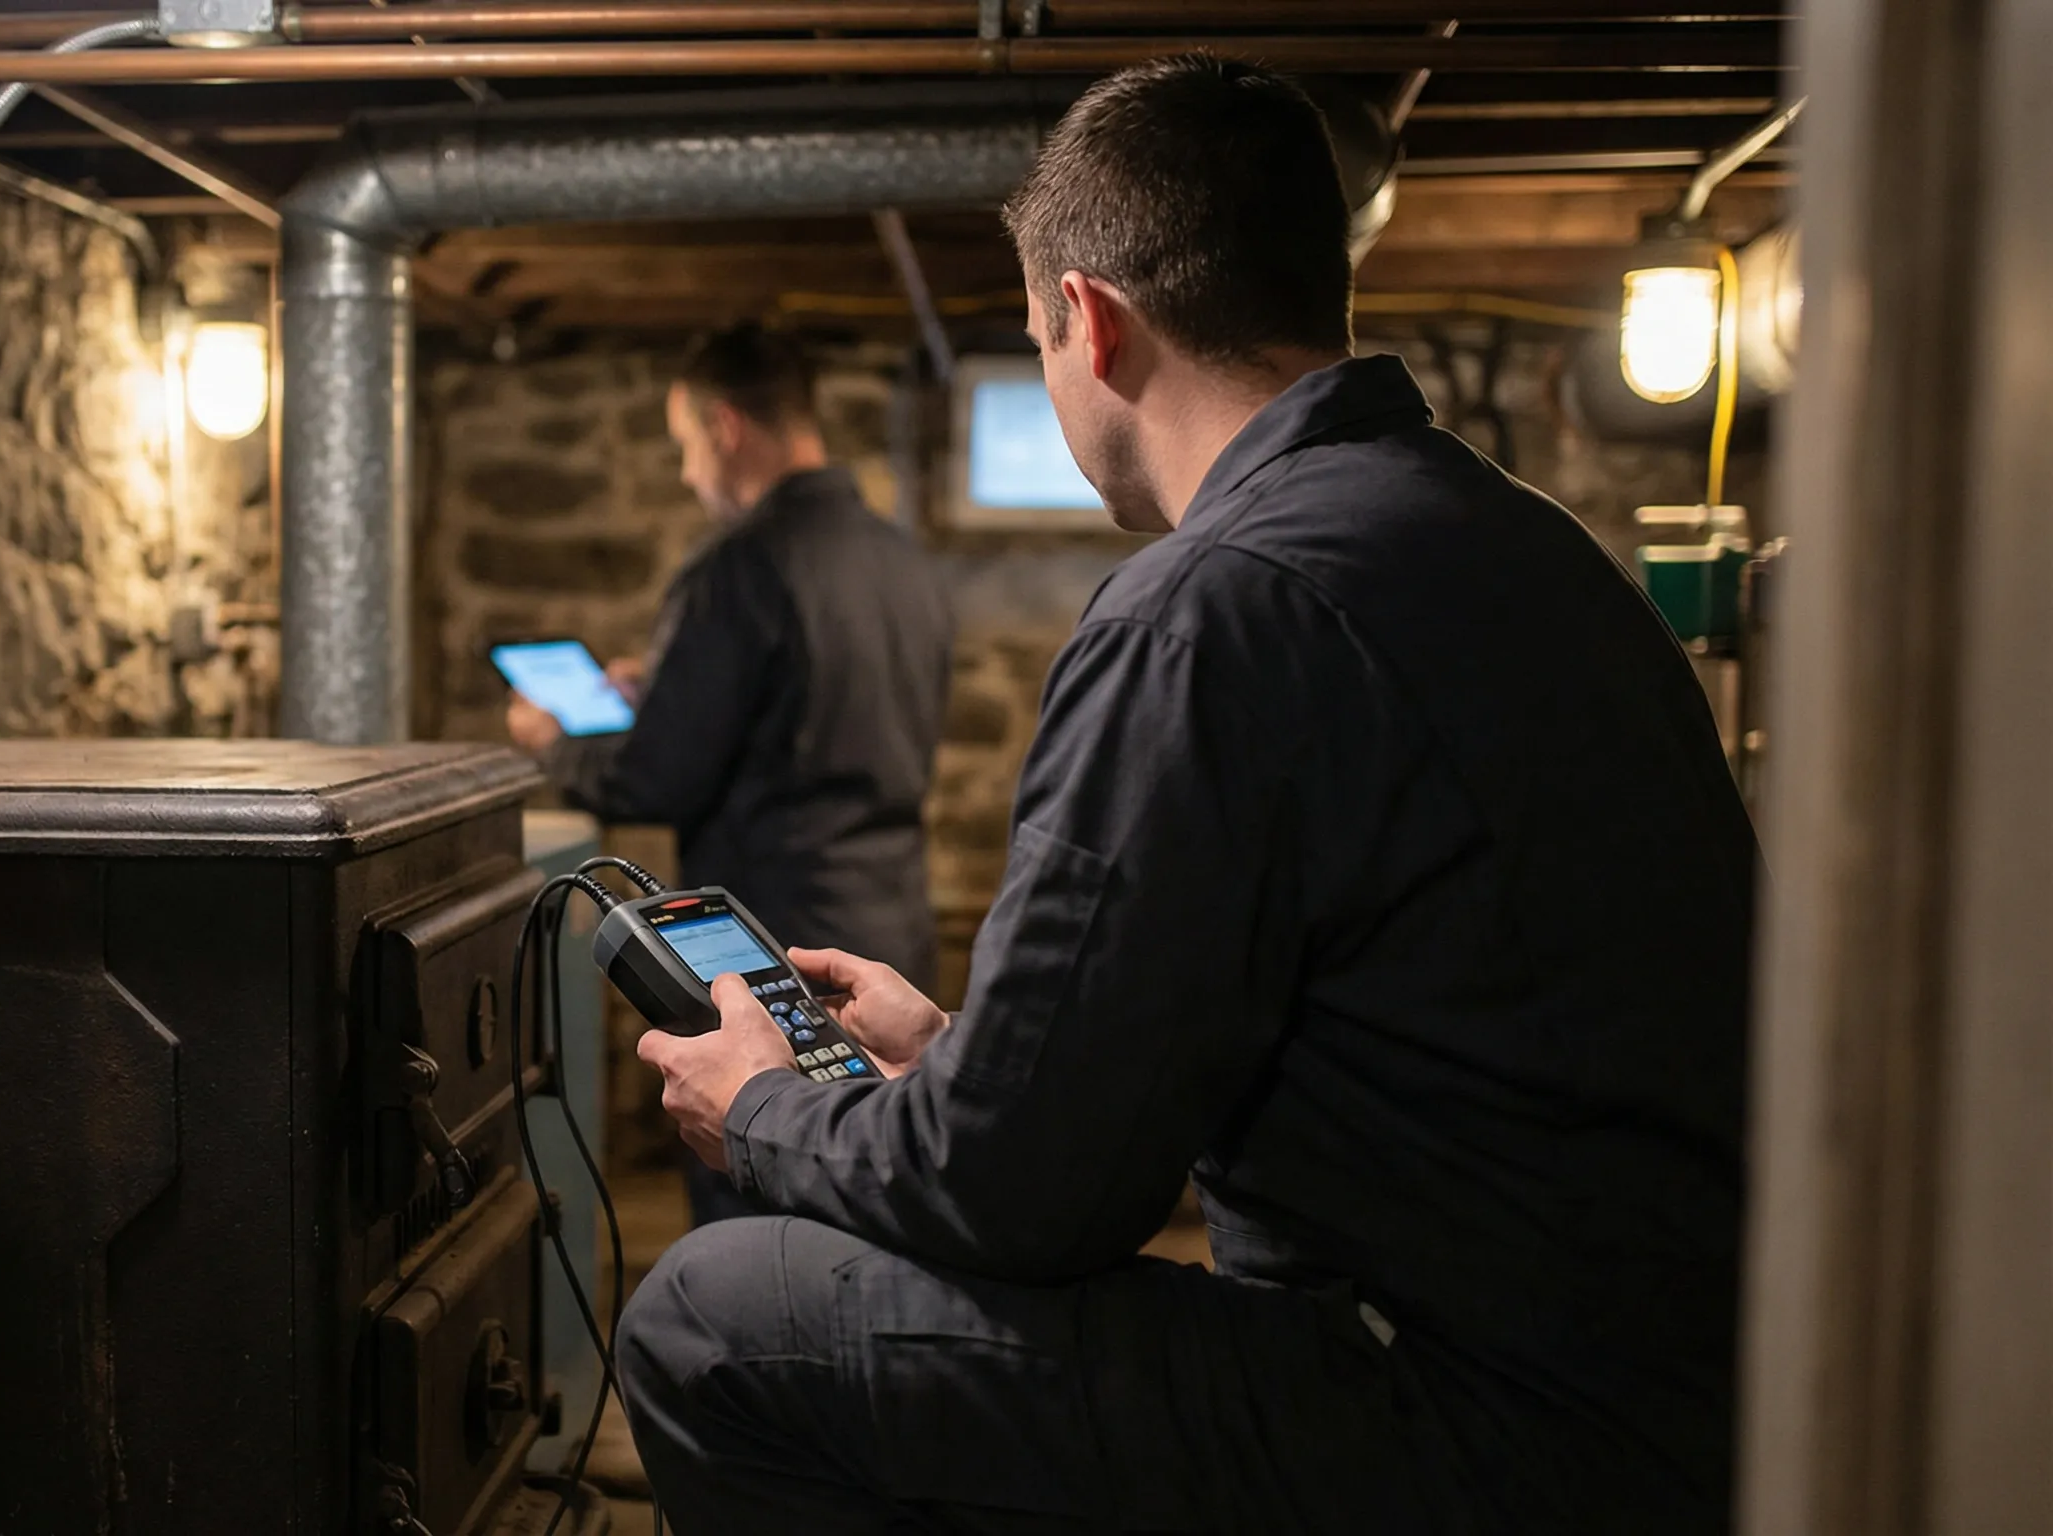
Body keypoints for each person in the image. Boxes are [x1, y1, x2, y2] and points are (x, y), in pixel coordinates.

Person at [616, 56, 1756, 1536]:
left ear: (1091, 322)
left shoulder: (1207, 606)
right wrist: (960, 1055)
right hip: (1679, 1391)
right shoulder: (1526, 545)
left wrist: (766, 1104)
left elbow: (1025, 1202)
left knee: (715, 1314)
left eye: (1036, 337)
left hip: (1474, 1421)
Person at [504, 324, 955, 1228]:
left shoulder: (736, 567)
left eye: (682, 446)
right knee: (880, 1212)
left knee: (761, 1227)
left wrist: (551, 741)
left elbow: (653, 779)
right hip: (888, 943)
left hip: (765, 950)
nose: (685, 472)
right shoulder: (903, 560)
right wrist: (662, 686)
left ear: (725, 425)